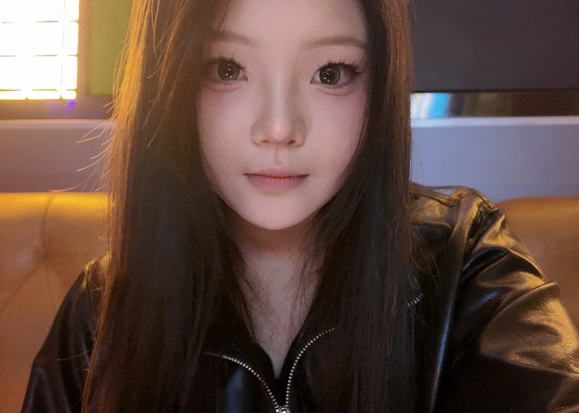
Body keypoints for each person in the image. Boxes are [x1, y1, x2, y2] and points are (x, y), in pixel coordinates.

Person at [21, 0, 579, 411]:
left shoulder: (466, 262)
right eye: (227, 68)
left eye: (330, 74)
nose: (279, 128)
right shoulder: (105, 307)